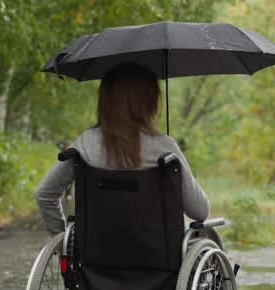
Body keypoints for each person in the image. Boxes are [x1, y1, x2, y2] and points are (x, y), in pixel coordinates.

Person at [34, 62, 209, 235]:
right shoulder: (164, 148)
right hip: (159, 257)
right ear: (150, 101)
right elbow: (200, 211)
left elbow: (44, 194)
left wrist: (61, 240)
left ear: (105, 100)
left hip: (94, 255)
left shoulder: (84, 145)